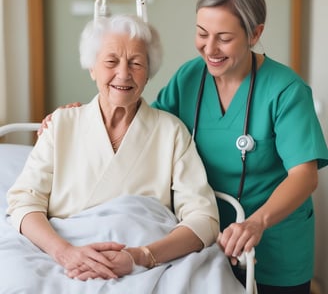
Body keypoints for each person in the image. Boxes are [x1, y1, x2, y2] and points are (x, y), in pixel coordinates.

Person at [37, 0, 328, 293]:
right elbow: (143, 123)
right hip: (201, 241)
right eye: (202, 34)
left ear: (255, 33)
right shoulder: (191, 77)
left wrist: (256, 222)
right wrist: (80, 118)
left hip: (272, 241)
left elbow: (304, 176)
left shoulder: (286, 91)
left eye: (224, 38)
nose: (210, 48)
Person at [6, 14, 220, 282]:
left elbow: (204, 219)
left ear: (149, 72)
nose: (123, 73)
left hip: (145, 263)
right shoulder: (61, 125)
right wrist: (65, 253)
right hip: (62, 257)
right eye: (111, 61)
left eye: (136, 63)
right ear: (92, 67)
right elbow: (24, 202)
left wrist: (140, 256)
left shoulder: (171, 132)